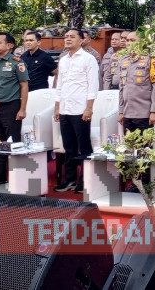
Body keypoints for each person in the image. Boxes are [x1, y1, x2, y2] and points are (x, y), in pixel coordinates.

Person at [53, 28, 99, 193]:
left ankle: (85, 180)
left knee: (84, 146)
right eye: (66, 36)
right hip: (65, 108)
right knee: (68, 147)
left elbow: (93, 86)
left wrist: (89, 108)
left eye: (72, 37)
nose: (68, 39)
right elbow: (60, 85)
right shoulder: (64, 60)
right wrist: (57, 107)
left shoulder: (89, 59)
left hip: (81, 109)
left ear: (82, 40)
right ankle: (70, 179)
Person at [0, 32, 30, 184]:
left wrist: (22, 109)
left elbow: (24, 86)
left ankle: (17, 181)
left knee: (13, 144)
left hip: (11, 107)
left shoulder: (17, 62)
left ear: (10, 45)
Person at [117, 32, 155, 157]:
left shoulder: (152, 60)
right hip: (127, 114)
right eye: (127, 40)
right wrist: (121, 110)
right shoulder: (123, 61)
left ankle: (145, 177)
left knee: (145, 153)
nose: (129, 43)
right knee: (129, 152)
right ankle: (133, 177)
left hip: (144, 114)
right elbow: (122, 88)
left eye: (133, 40)